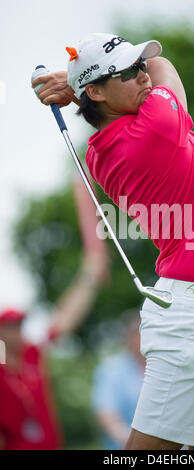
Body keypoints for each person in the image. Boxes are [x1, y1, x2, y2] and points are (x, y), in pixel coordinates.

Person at [32, 32, 194, 450]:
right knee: (149, 451)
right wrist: (77, 83)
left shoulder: (116, 138)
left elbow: (146, 75)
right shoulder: (148, 131)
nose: (141, 76)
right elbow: (165, 68)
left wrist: (81, 85)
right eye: (128, 72)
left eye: (139, 66)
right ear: (98, 92)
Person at [0, 178, 110, 450]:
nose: (18, 331)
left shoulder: (31, 354)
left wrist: (89, 276)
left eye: (19, 324)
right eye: (11, 326)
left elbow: (63, 320)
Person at [91, 312, 145, 450]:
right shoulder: (111, 368)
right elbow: (105, 411)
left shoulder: (171, 367)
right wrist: (128, 440)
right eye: (136, 334)